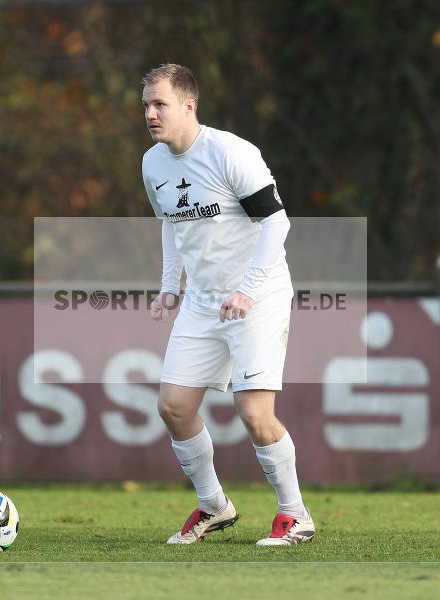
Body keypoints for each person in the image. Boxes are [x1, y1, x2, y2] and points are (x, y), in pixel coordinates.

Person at [140, 63, 315, 546]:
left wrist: (248, 289)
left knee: (255, 413)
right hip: (202, 301)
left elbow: (277, 224)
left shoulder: (230, 152)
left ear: (189, 105)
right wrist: (169, 284)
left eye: (161, 104)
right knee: (174, 407)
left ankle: (295, 515)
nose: (151, 114)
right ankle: (214, 505)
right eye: (146, 106)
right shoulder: (153, 163)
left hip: (257, 296)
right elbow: (171, 225)